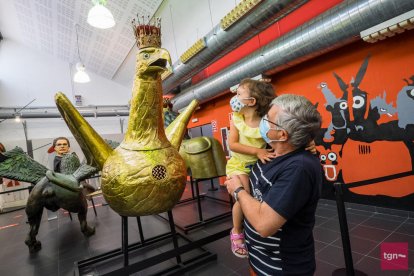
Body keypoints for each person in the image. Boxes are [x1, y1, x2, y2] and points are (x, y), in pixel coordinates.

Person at [225, 94, 323, 275]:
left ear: (282, 134)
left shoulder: (299, 168)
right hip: (258, 258)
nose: (263, 122)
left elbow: (264, 224)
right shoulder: (272, 151)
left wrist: (238, 191)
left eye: (268, 119)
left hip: (280, 267)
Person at [226, 78, 277, 258]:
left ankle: (255, 226)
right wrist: (257, 151)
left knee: (259, 196)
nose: (234, 97)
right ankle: (236, 231)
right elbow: (232, 145)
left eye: (239, 94)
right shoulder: (237, 119)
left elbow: (276, 140)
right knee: (244, 194)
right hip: (238, 164)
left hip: (258, 164)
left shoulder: (265, 122)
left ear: (252, 102)